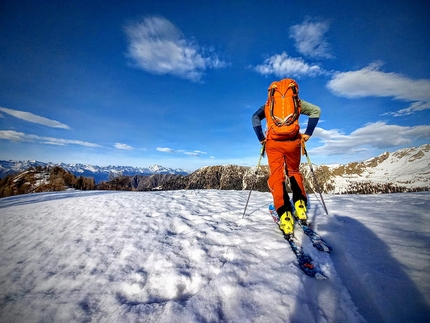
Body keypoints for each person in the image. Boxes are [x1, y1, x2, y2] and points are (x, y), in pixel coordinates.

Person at [252, 86, 321, 237]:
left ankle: (285, 216)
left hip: (273, 144)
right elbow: (316, 111)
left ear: (271, 93)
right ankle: (300, 206)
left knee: (276, 176)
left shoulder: (268, 105)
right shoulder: (297, 102)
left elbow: (254, 118)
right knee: (294, 172)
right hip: (293, 143)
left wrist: (261, 138)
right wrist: (308, 134)